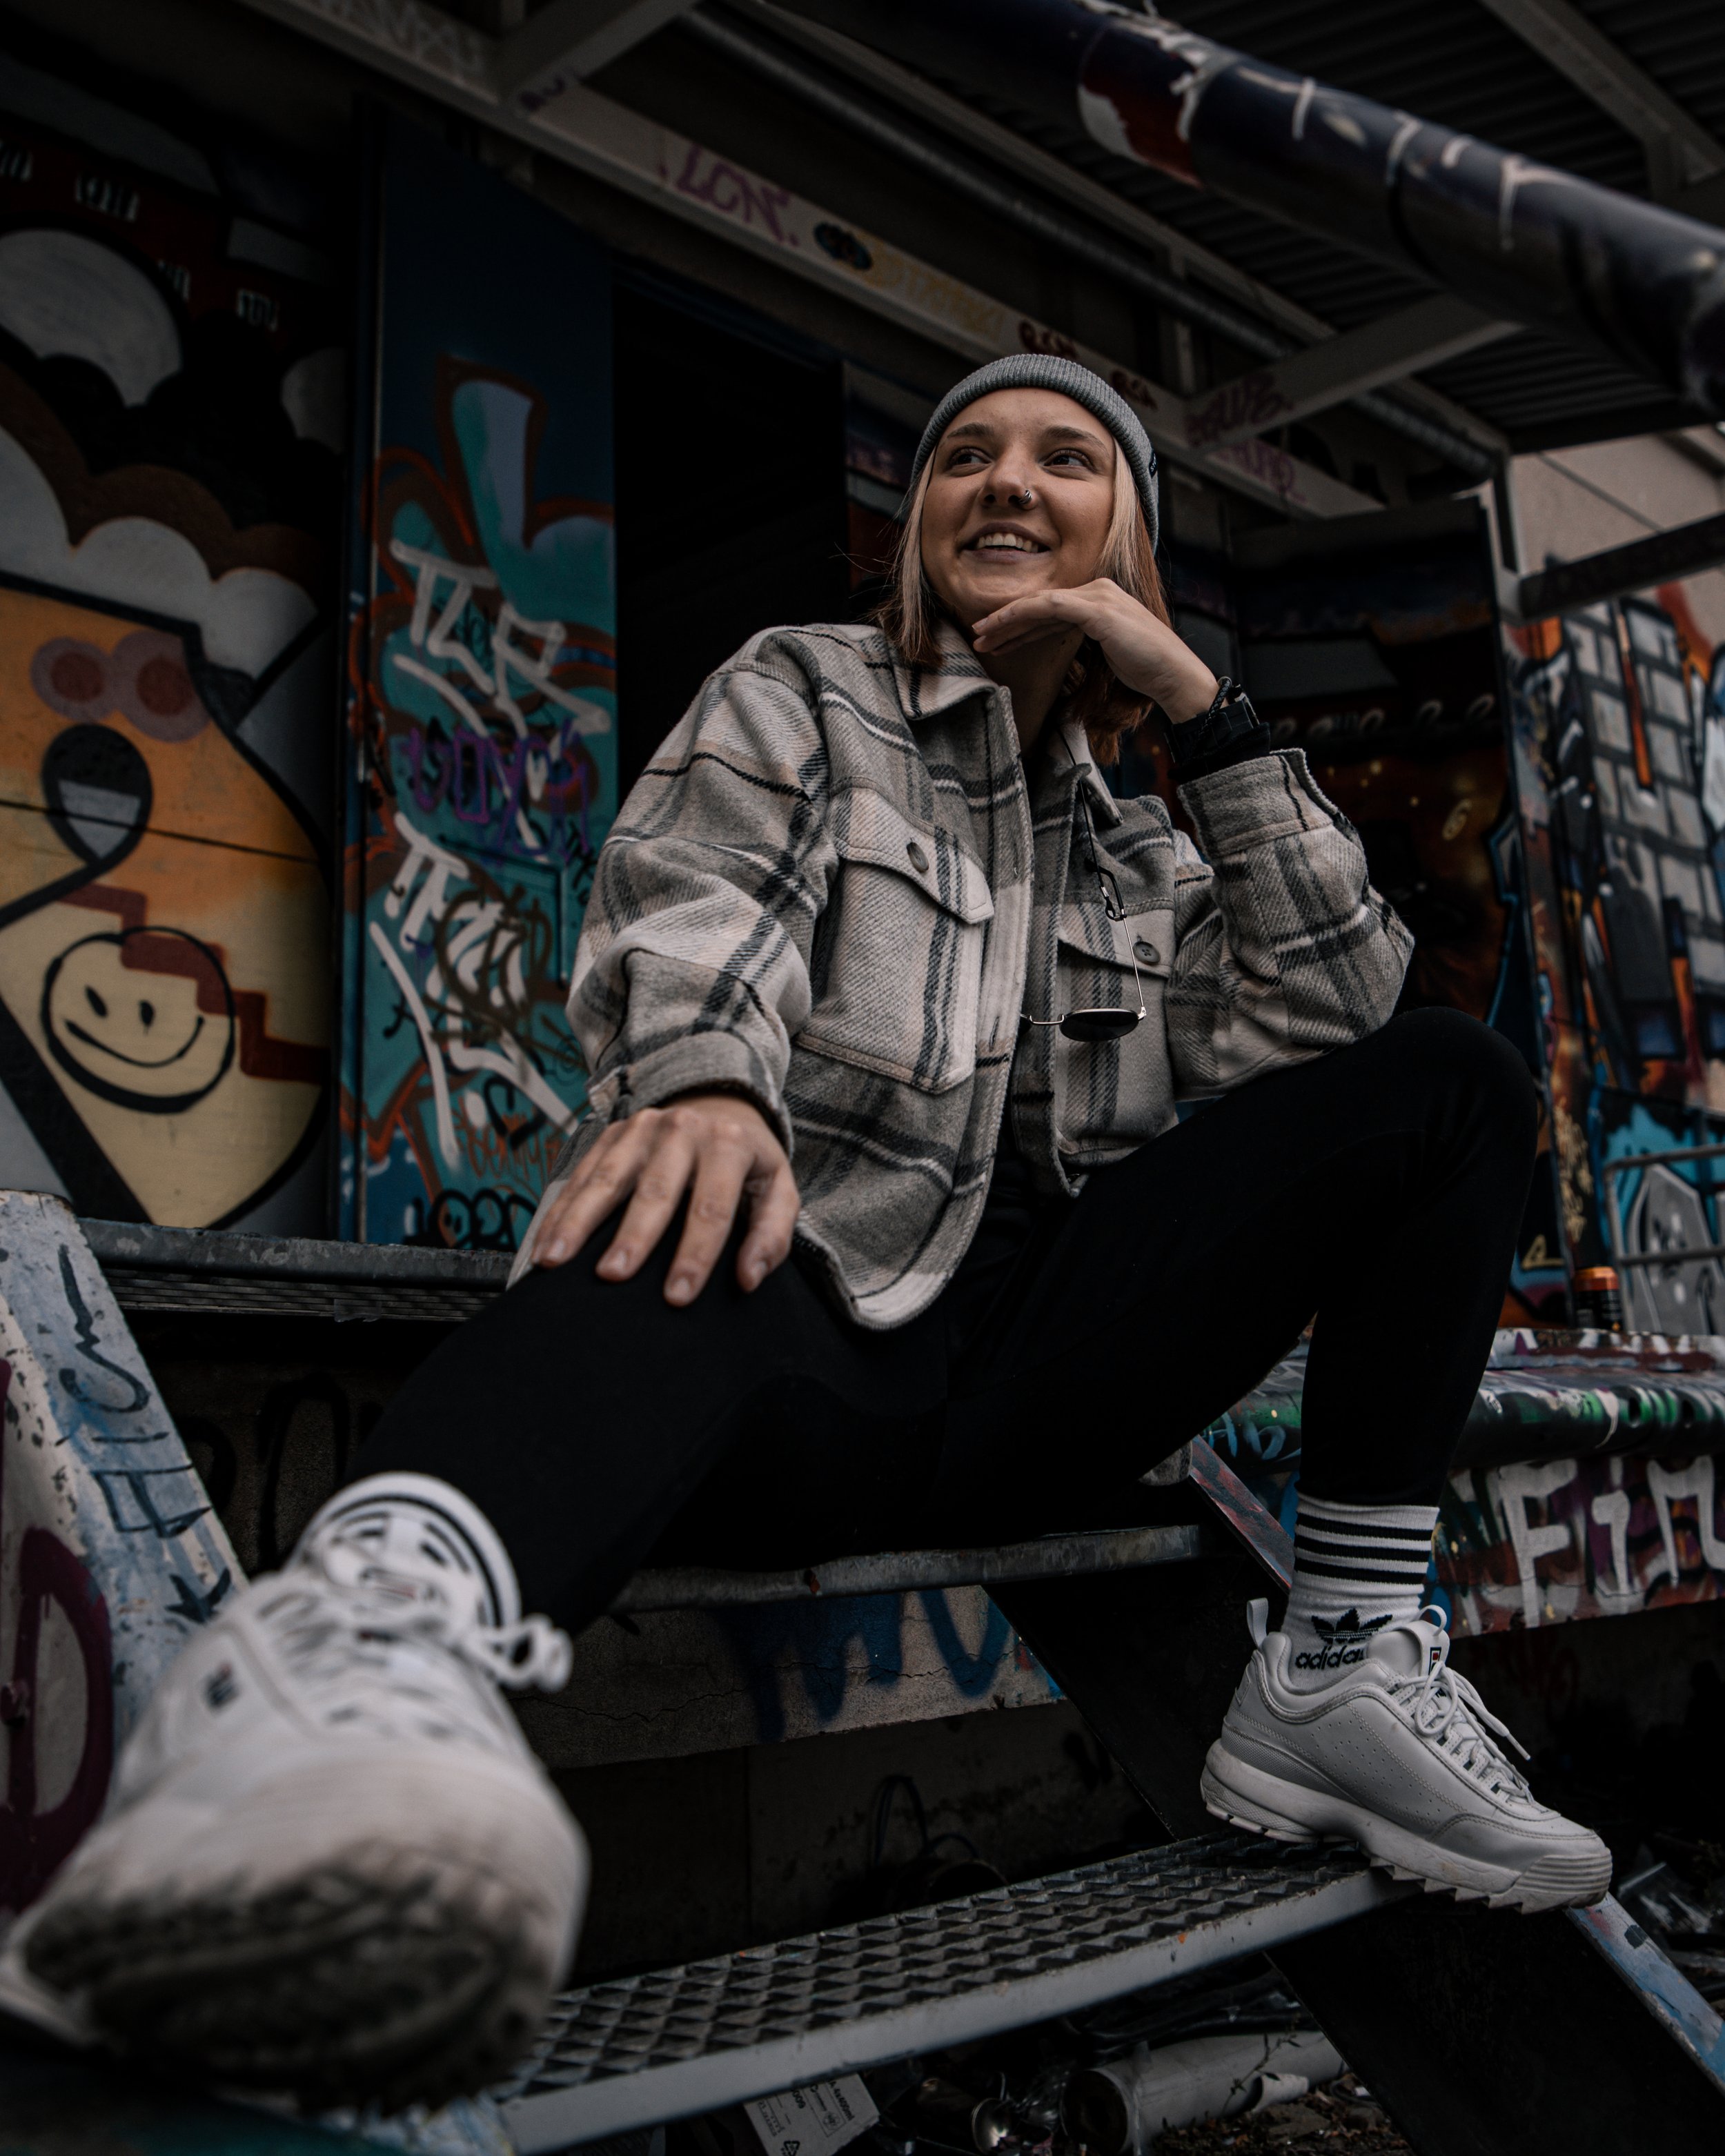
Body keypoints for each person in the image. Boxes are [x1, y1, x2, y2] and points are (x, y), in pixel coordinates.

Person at [1, 357, 1610, 2109]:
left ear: (1123, 539)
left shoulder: (1146, 847)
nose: (1003, 483)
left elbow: (1341, 1010)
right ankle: (336, 1693)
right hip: (813, 1343)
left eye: (1064, 461)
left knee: (1449, 1082)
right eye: (962, 459)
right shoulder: (806, 693)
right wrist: (702, 1085)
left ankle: (1336, 1668)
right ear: (915, 527)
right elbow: (692, 901)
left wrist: (1202, 715)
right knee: (681, 1218)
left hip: (1038, 1388)